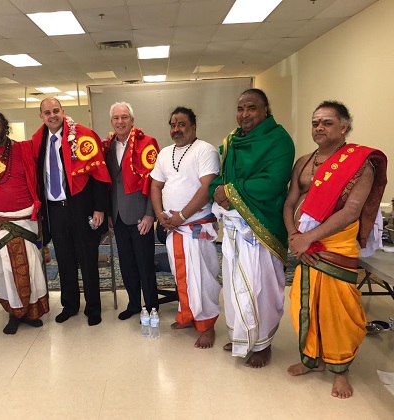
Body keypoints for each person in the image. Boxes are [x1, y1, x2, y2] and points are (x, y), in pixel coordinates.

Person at [284, 101, 387, 398]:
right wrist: (294, 234)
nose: (319, 127)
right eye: (315, 122)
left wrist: (309, 237)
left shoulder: (359, 163)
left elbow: (351, 211)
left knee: (338, 310)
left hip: (336, 244)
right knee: (304, 304)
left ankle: (340, 370)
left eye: (327, 122)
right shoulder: (303, 162)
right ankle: (311, 359)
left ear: (344, 127)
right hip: (304, 243)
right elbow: (290, 202)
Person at [210, 88, 295, 368]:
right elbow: (218, 176)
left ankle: (263, 343)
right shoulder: (232, 140)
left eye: (251, 108)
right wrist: (217, 191)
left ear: (265, 110)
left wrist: (230, 192)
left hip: (263, 225)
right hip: (235, 226)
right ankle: (240, 335)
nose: (244, 114)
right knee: (234, 284)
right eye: (240, 108)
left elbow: (273, 182)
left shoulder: (280, 140)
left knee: (262, 287)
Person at [32, 98, 111, 326]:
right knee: (64, 259)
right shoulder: (39, 141)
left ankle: (93, 308)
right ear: (41, 116)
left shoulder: (83, 135)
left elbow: (98, 174)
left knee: (87, 259)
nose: (52, 115)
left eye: (55, 111)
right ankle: (70, 305)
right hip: (54, 210)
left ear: (63, 112)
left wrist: (99, 208)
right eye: (47, 112)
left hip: (81, 207)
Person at [0, 110, 49, 334]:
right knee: (6, 268)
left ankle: (31, 311)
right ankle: (14, 313)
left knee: (31, 265)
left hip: (26, 218)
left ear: (6, 126)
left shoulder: (25, 149)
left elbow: (45, 138)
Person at [150, 106, 221, 349]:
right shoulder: (164, 152)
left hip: (196, 226)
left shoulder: (205, 150)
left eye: (181, 124)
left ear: (193, 126)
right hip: (172, 227)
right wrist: (160, 214)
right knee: (182, 276)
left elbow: (206, 189)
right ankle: (188, 315)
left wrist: (181, 215)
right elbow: (156, 186)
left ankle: (208, 326)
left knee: (202, 277)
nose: (176, 129)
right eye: (173, 124)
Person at [104, 102, 159, 320]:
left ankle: (152, 306)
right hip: (117, 215)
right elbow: (108, 182)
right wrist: (109, 213)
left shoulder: (147, 143)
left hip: (140, 216)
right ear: (111, 122)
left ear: (132, 120)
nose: (120, 121)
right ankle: (134, 304)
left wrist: (150, 213)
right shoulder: (107, 147)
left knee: (144, 264)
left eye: (124, 117)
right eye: (116, 118)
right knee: (126, 264)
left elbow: (155, 181)